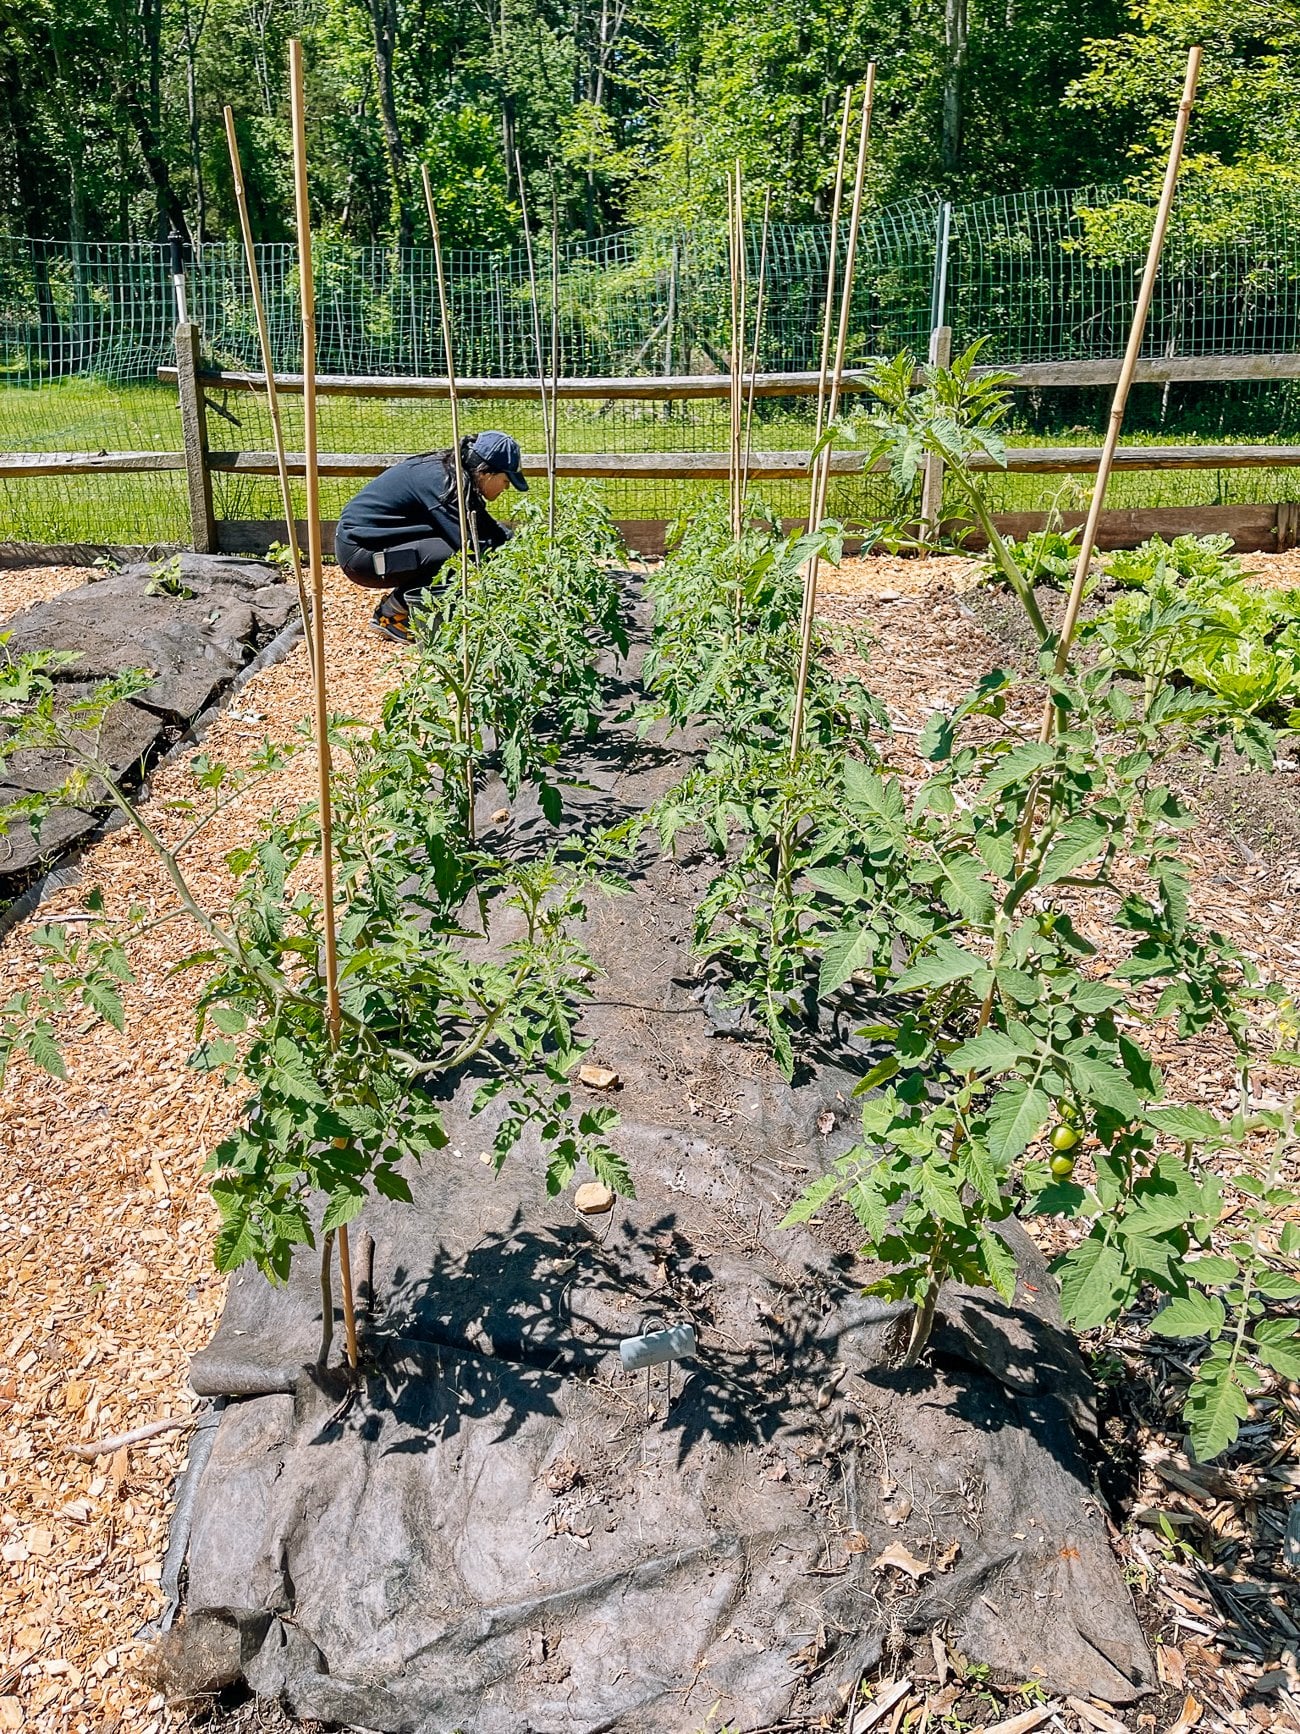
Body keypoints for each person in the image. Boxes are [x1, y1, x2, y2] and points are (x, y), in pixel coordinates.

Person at [334, 430, 528, 644]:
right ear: (486, 473)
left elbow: (482, 526)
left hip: (378, 543)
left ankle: (407, 609)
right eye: (506, 480)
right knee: (459, 557)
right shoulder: (444, 484)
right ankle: (391, 615)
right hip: (362, 556)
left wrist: (518, 544)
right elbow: (475, 544)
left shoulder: (454, 472)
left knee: (461, 551)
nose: (507, 487)